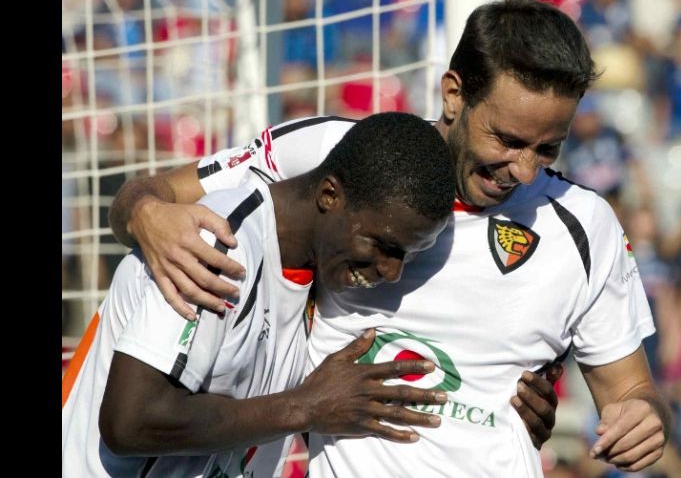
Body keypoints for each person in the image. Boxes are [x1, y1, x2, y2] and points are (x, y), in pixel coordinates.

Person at [108, 0, 670, 476]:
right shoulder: (341, 153)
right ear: (454, 94)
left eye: (547, 148)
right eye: (508, 139)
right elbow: (152, 194)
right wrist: (146, 216)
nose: (523, 170)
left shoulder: (585, 224)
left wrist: (644, 420)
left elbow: (631, 394)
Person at [62, 113, 458, 477]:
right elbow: (130, 422)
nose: (392, 272)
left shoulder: (319, 279)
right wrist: (307, 407)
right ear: (329, 195)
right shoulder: (219, 245)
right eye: (384, 246)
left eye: (408, 255)